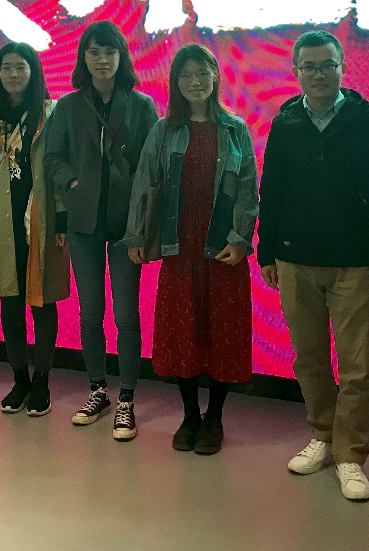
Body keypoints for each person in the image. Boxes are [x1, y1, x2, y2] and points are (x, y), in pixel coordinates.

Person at [256, 30, 369, 501]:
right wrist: (267, 251)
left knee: (357, 366)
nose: (318, 74)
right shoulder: (286, 122)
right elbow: (271, 190)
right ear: (296, 72)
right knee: (309, 359)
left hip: (354, 261)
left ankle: (350, 455)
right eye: (309, 66)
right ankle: (322, 436)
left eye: (327, 65)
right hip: (295, 259)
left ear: (343, 68)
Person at [123, 44, 257, 455]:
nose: (195, 82)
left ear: (214, 76)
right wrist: (136, 236)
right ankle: (189, 416)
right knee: (182, 329)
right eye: (185, 75)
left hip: (221, 245)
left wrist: (240, 239)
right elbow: (144, 183)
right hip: (178, 242)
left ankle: (214, 417)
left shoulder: (235, 128)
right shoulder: (163, 130)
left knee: (222, 330)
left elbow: (248, 188)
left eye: (202, 73)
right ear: (175, 82)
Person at [45, 20, 159, 440]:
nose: (102, 59)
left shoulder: (142, 105)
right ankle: (98, 390)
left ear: (121, 56)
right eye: (93, 52)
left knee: (126, 314)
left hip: (128, 225)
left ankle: (126, 397)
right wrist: (73, 182)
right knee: (90, 312)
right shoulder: (68, 106)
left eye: (109, 51)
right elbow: (52, 157)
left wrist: (144, 225)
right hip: (84, 223)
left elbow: (153, 166)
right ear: (83, 58)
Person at [0, 43, 68, 417]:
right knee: (10, 300)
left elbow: (59, 168)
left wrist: (63, 219)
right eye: (5, 68)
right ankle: (19, 378)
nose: (12, 74)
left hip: (41, 218)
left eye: (20, 66)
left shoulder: (51, 113)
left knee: (43, 300)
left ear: (33, 71)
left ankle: (42, 380)